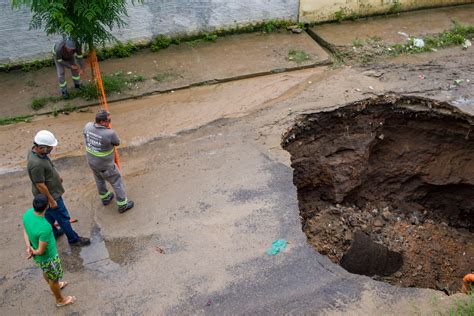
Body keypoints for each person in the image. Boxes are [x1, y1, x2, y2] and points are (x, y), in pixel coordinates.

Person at [27, 130, 90, 247]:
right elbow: (40, 184)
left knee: (49, 216)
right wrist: (51, 201)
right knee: (63, 218)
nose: (51, 150)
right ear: (41, 147)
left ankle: (53, 232)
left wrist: (56, 177)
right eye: (49, 148)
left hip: (50, 193)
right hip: (51, 196)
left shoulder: (38, 153)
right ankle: (74, 239)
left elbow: (47, 169)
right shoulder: (36, 164)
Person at [23, 194, 77, 307]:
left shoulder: (27, 214)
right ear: (47, 206)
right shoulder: (45, 227)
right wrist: (33, 250)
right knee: (54, 278)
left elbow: (25, 230)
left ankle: (55, 284)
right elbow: (41, 251)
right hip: (48, 258)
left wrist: (29, 247)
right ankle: (60, 300)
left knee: (47, 273)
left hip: (40, 259)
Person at [83, 110, 134, 213]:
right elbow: (117, 142)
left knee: (99, 180)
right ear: (102, 122)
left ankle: (105, 198)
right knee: (117, 182)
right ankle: (122, 204)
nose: (110, 122)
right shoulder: (110, 133)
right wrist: (108, 132)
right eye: (109, 120)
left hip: (92, 162)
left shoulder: (87, 126)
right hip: (106, 166)